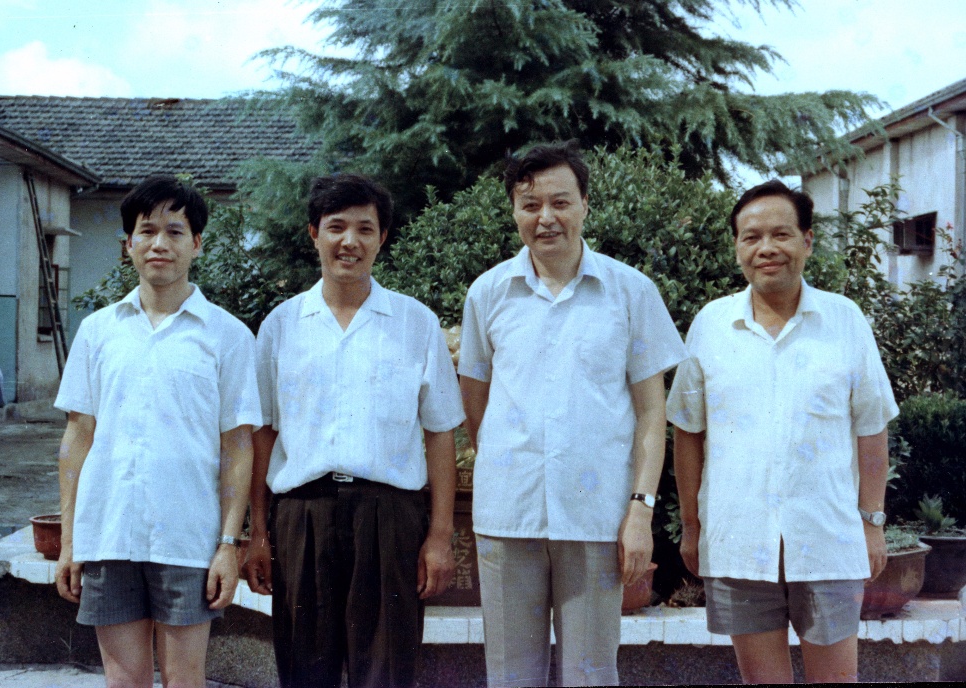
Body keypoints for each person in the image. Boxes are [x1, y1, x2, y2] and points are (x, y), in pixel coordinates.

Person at [458, 141, 687, 687]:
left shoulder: (630, 291)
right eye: (530, 204)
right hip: (507, 515)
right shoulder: (488, 294)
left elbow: (652, 413)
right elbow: (476, 403)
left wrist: (640, 511)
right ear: (514, 210)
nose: (546, 218)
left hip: (597, 516)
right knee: (510, 676)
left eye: (560, 202)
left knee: (591, 674)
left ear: (585, 203)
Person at [667, 179, 898, 684]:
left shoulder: (844, 321)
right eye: (751, 237)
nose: (766, 248)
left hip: (827, 541)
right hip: (737, 541)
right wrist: (691, 525)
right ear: (737, 247)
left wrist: (872, 523)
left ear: (807, 241)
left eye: (781, 234)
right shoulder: (710, 325)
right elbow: (688, 431)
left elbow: (871, 428)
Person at [243, 173, 465, 688]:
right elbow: (262, 434)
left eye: (365, 229)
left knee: (387, 673)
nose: (350, 241)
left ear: (382, 237)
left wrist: (439, 535)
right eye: (336, 227)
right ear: (313, 233)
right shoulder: (281, 325)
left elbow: (439, 434)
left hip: (389, 518)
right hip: (301, 518)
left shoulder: (415, 323)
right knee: (304, 671)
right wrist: (258, 533)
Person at [54, 175, 262, 688]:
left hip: (188, 541)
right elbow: (77, 439)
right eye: (147, 231)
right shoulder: (98, 331)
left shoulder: (228, 336)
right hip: (108, 534)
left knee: (185, 680)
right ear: (128, 244)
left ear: (197, 243)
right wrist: (69, 541)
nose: (159, 244)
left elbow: (238, 447)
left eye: (175, 231)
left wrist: (228, 544)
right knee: (123, 680)